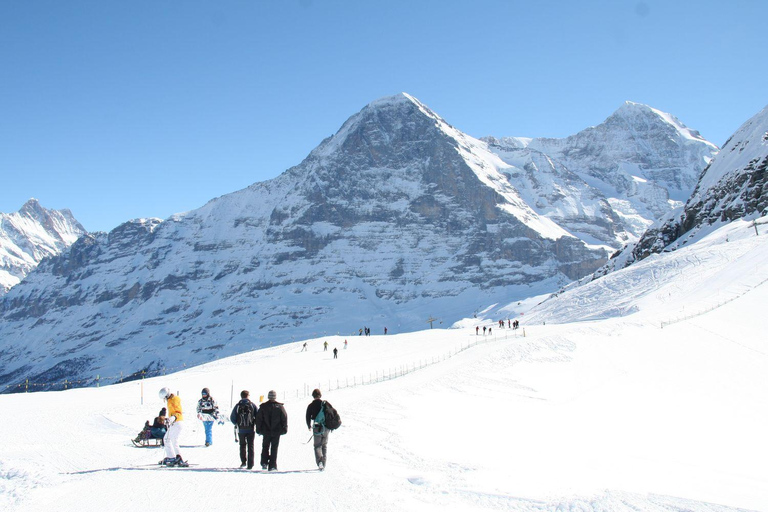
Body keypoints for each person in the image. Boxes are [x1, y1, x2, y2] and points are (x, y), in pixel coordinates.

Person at [255, 390, 287, 471]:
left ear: (268, 397)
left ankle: (264, 463)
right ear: (275, 397)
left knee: (265, 447)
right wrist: (285, 428)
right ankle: (272, 465)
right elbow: (284, 418)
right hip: (276, 431)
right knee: (274, 448)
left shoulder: (263, 406)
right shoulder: (280, 407)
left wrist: (258, 429)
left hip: (266, 431)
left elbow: (258, 419)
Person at [159, 387, 188, 467]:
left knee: (172, 440)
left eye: (165, 397)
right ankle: (173, 457)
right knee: (167, 439)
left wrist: (173, 418)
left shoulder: (175, 399)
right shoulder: (169, 400)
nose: (165, 399)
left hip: (177, 422)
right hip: (174, 423)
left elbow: (178, 412)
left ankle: (177, 458)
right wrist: (168, 419)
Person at [230, 390, 258, 469]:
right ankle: (250, 464)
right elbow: (258, 415)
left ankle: (243, 462)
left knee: (242, 446)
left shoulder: (238, 405)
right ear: (248, 396)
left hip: (241, 430)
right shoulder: (252, 405)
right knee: (251, 446)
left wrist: (237, 424)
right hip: (251, 429)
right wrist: (255, 423)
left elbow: (232, 417)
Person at [306, 388, 329, 470]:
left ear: (313, 396)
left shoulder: (311, 405)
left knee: (317, 446)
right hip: (326, 428)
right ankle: (324, 463)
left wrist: (308, 425)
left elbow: (308, 416)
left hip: (317, 428)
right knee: (324, 446)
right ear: (320, 395)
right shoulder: (324, 404)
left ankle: (319, 462)